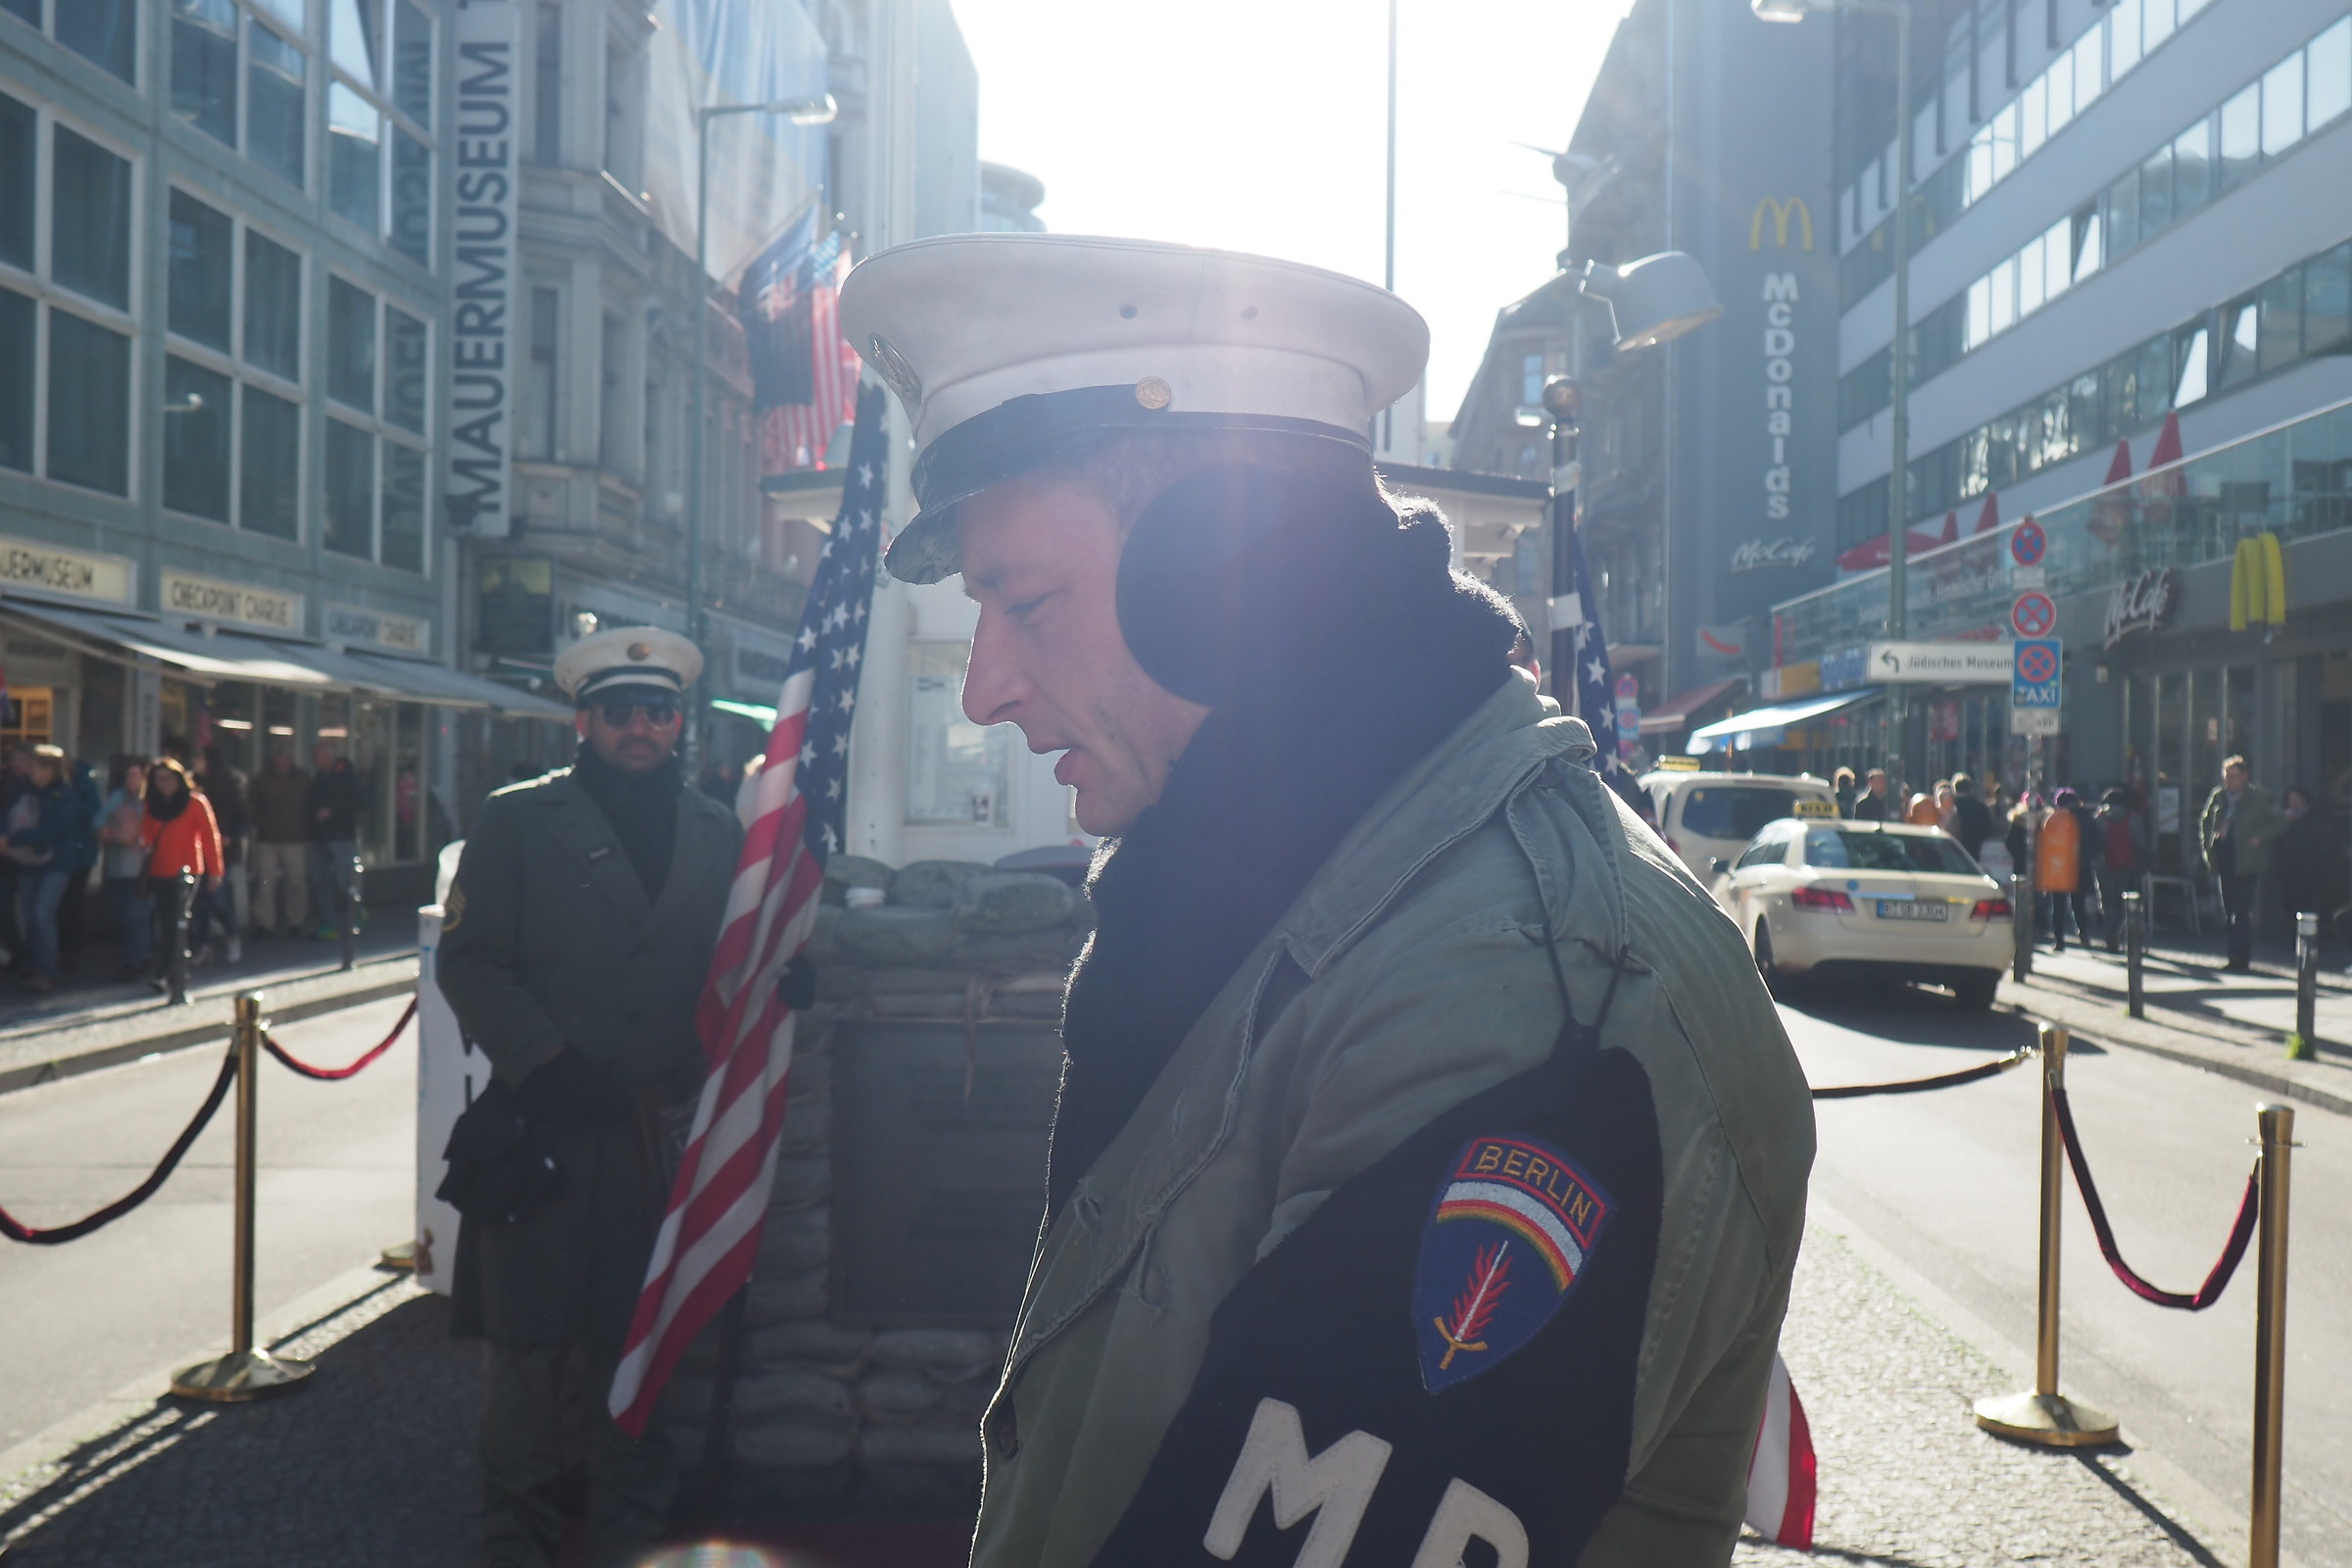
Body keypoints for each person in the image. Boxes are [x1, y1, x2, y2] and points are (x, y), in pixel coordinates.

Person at [837, 233, 1814, 1567]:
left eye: (1028, 604)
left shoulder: (1516, 993)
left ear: (1223, 577)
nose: (986, 686)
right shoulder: (1272, 879)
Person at [437, 626, 742, 1568]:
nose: (639, 727)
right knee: (529, 1358)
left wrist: (784, 971)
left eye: (657, 710)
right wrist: (546, 1060)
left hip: (657, 1134)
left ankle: (625, 1543)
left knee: (637, 1349)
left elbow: (733, 951)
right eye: (619, 711)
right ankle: (513, 1546)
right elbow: (471, 958)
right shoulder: (519, 819)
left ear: (679, 722)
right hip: (549, 1125)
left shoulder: (719, 830)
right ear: (585, 720)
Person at [7, 746, 91, 994]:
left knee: (44, 915)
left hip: (57, 863)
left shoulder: (66, 796)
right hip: (27, 864)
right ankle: (34, 966)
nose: (30, 771)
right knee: (31, 919)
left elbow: (53, 829)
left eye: (35, 767)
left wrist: (12, 841)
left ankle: (46, 971)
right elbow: (9, 815)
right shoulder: (24, 791)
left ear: (49, 769)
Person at [138, 758, 223, 989]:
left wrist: (216, 871)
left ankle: (168, 972)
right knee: (166, 922)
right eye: (158, 779)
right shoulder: (152, 804)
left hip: (187, 871)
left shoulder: (195, 802)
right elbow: (145, 835)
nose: (164, 783)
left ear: (179, 778)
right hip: (159, 870)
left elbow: (209, 837)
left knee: (177, 921)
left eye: (168, 778)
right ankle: (176, 970)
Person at [2200, 755, 2285, 972]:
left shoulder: (2259, 797)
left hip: (2248, 861)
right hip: (2225, 858)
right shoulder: (2219, 796)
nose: (2229, 781)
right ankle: (2235, 954)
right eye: (2226, 776)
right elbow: (2206, 821)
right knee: (2229, 912)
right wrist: (2210, 845)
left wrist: (2259, 837)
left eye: (2234, 777)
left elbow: (2279, 821)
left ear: (2245, 777)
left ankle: (2239, 957)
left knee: (2241, 910)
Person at [97, 756, 152, 980]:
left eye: (137, 775)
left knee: (136, 916)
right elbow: (98, 819)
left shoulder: (149, 802)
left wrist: (141, 839)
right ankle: (136, 955)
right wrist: (104, 830)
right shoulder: (117, 797)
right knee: (121, 915)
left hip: (140, 870)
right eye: (129, 775)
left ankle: (136, 960)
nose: (132, 779)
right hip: (117, 866)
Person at [249, 746, 312, 939]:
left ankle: (297, 921)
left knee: (297, 881)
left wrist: (306, 826)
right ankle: (265, 923)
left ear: (291, 759)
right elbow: (252, 804)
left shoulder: (302, 779)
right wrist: (260, 823)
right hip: (267, 838)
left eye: (285, 758)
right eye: (278, 758)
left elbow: (311, 803)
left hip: (295, 838)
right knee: (266, 882)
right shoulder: (262, 779)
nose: (281, 762)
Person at [196, 746, 251, 963]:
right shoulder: (196, 784)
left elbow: (244, 818)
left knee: (217, 897)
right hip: (198, 850)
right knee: (200, 901)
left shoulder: (231, 784)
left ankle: (232, 937)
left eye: (199, 757)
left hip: (222, 850)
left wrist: (230, 836)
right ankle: (204, 945)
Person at [306, 742, 364, 940]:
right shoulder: (320, 777)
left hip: (341, 836)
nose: (315, 763)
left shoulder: (346, 774)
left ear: (328, 757)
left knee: (345, 879)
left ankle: (355, 914)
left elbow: (357, 802)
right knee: (320, 880)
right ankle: (329, 924)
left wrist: (332, 811)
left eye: (318, 758)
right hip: (319, 836)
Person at [2094, 787, 2148, 952]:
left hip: (2104, 866)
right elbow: (2141, 843)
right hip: (2127, 866)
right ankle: (2125, 935)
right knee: (2124, 903)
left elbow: (2093, 842)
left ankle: (2111, 938)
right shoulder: (2133, 818)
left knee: (2108, 902)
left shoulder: (2099, 818)